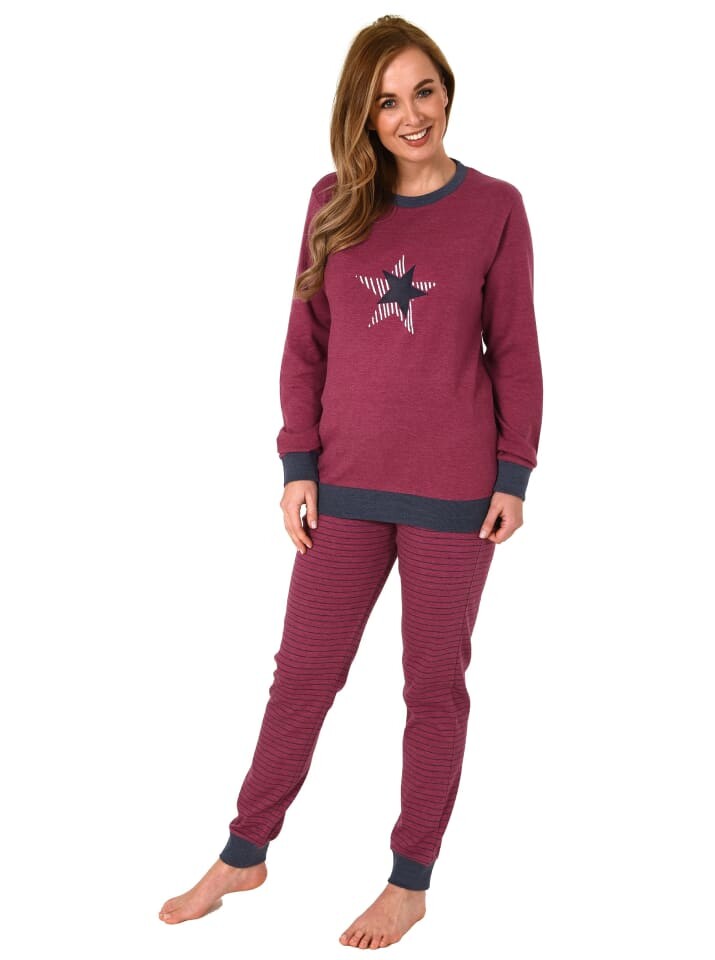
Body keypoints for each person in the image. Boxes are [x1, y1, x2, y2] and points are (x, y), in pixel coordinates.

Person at [159, 13, 543, 949]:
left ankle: (410, 880)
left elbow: (517, 350)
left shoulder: (496, 207)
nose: (412, 115)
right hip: (344, 485)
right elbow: (306, 344)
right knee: (302, 675)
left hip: (455, 494)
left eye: (424, 91)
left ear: (447, 90)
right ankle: (245, 851)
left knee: (432, 687)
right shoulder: (334, 202)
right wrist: (297, 463)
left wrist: (515, 472)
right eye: (388, 101)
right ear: (363, 115)